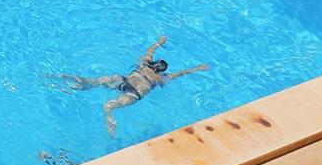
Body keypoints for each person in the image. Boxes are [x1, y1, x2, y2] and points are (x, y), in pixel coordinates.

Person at [51, 36, 209, 135]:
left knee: (95, 82)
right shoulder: (160, 79)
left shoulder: (144, 64)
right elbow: (181, 73)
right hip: (134, 93)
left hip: (124, 81)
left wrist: (159, 42)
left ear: (154, 63)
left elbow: (150, 50)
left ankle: (75, 83)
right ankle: (109, 118)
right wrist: (196, 68)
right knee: (108, 106)